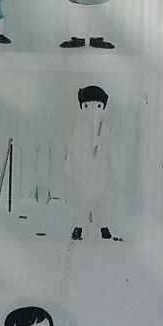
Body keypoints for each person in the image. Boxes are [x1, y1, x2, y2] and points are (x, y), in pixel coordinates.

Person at [65, 83, 119, 242]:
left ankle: (104, 228)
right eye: (88, 106)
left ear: (103, 107)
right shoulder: (80, 128)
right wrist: (71, 165)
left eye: (98, 106)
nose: (93, 110)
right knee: (83, 202)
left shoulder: (105, 129)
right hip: (84, 173)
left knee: (101, 202)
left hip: (100, 173)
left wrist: (102, 149)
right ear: (83, 106)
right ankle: (78, 229)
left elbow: (110, 150)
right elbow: (73, 148)